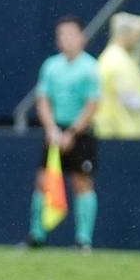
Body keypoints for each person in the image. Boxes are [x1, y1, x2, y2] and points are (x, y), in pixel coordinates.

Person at [28, 17, 99, 250]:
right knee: (44, 182)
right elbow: (43, 100)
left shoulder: (90, 67)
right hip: (55, 131)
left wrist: (72, 133)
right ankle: (36, 236)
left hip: (80, 133)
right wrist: (51, 129)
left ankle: (83, 240)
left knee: (82, 182)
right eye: (61, 35)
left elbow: (92, 104)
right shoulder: (51, 66)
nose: (65, 39)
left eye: (70, 34)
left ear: (82, 38)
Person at [93, 13, 140, 139]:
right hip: (122, 132)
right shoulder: (117, 60)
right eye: (137, 36)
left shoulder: (117, 58)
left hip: (122, 132)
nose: (139, 41)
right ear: (126, 34)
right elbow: (130, 99)